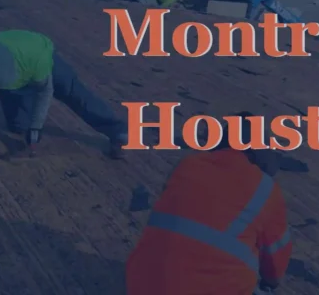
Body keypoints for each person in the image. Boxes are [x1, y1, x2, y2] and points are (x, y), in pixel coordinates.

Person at [125, 113, 292, 295]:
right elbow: (275, 265)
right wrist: (270, 283)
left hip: (140, 286)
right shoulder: (266, 189)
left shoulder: (187, 165)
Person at [0, 30, 128, 160]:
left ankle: (117, 131)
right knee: (17, 126)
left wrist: (36, 126)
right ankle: (22, 105)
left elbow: (45, 91)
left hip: (39, 54)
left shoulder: (36, 59)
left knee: (74, 94)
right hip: (12, 70)